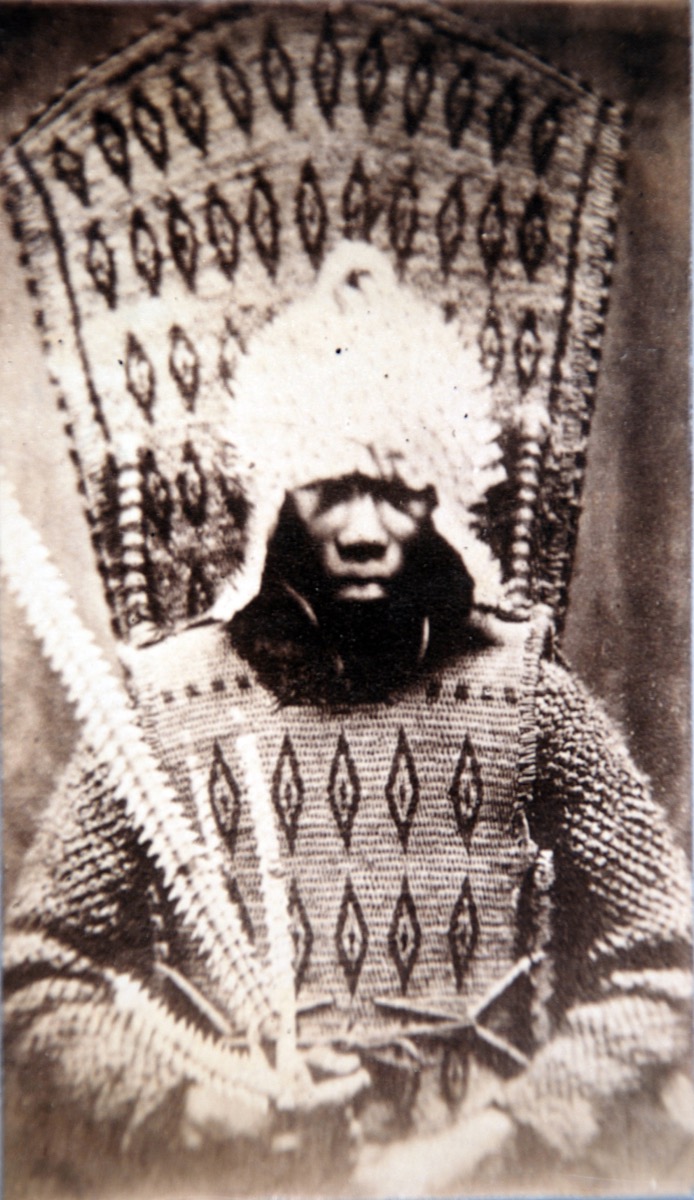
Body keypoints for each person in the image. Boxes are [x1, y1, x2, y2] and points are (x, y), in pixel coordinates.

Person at [5, 246, 691, 1197]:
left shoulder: (525, 692)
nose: (364, 530)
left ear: (440, 496)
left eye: (398, 490)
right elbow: (37, 975)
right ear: (280, 495)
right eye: (330, 488)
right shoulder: (163, 702)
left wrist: (494, 1138)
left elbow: (663, 962)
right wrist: (196, 1111)